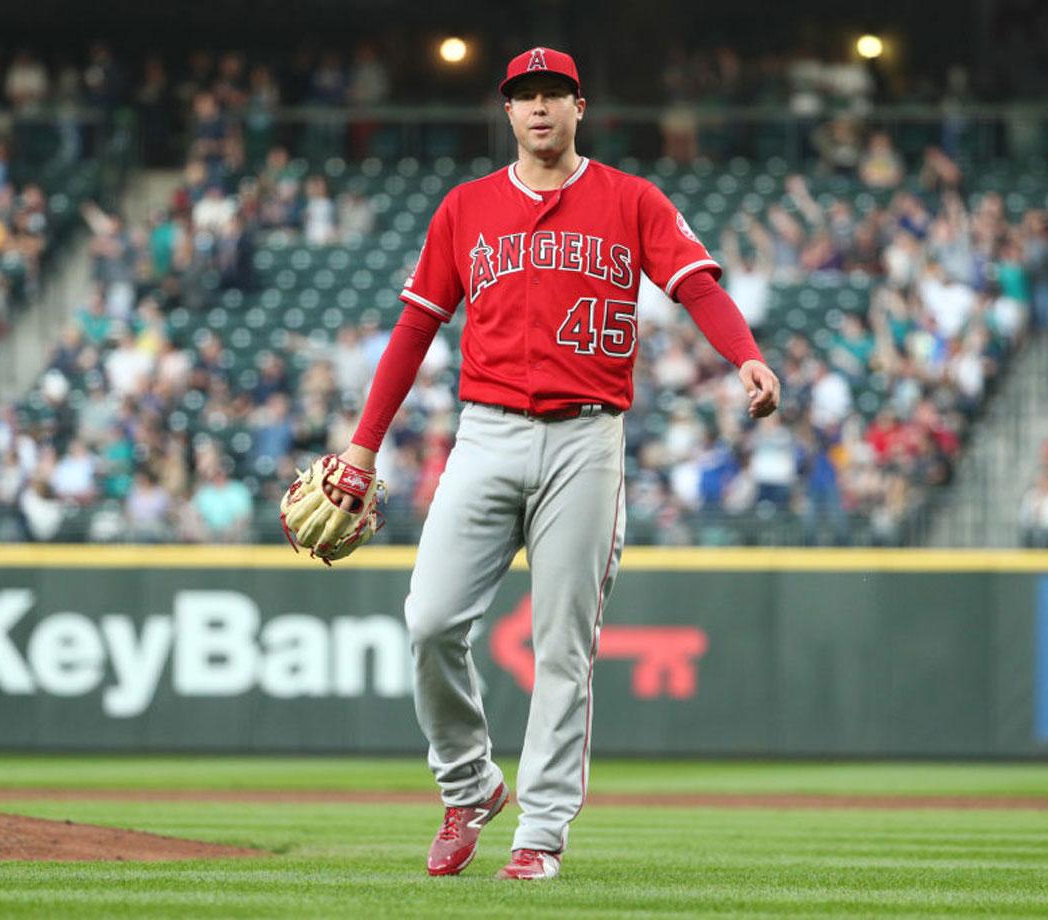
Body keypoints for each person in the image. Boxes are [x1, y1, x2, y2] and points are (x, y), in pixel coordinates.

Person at [320, 47, 779, 881]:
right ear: (506, 112)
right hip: (486, 433)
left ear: (579, 107)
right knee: (429, 621)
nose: (538, 108)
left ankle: (541, 834)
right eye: (524, 96)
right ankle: (468, 786)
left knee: (562, 643)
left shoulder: (631, 199)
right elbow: (415, 328)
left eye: (553, 95)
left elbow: (698, 284)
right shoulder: (466, 208)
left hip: (586, 439)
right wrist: (363, 443)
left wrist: (743, 355)